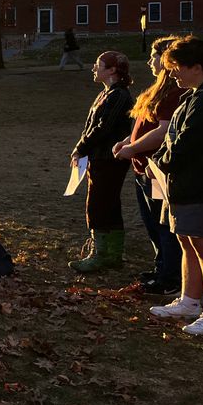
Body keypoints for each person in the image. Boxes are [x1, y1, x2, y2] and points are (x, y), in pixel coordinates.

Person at [148, 37, 203, 336]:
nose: (172, 74)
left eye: (176, 68)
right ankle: (189, 301)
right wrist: (162, 159)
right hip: (185, 186)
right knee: (188, 243)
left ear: (196, 67)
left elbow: (186, 144)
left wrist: (160, 162)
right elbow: (175, 138)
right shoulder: (194, 95)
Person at [111, 36, 184, 295]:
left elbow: (163, 131)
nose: (150, 61)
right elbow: (144, 125)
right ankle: (161, 266)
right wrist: (126, 141)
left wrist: (132, 148)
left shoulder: (175, 92)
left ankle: (171, 277)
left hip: (157, 171)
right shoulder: (157, 90)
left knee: (164, 224)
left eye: (154, 56)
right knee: (152, 223)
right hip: (142, 169)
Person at [68, 51, 134, 273]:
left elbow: (102, 128)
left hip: (109, 158)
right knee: (104, 203)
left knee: (99, 205)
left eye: (98, 65)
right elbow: (91, 127)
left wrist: (80, 148)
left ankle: (102, 254)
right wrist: (81, 149)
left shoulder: (119, 96)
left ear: (112, 70)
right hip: (99, 157)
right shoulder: (106, 94)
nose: (94, 68)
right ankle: (110, 253)